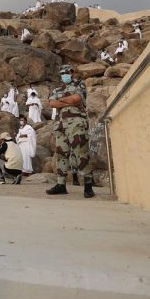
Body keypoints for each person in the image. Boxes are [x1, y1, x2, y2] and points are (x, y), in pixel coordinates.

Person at [46, 64, 94, 198]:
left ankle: (88, 185)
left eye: (67, 72)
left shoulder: (79, 85)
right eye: (62, 73)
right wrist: (69, 102)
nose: (64, 75)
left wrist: (60, 100)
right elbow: (51, 103)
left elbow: (77, 99)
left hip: (76, 123)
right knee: (61, 154)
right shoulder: (57, 89)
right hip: (61, 125)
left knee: (81, 152)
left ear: (72, 73)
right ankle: (61, 184)